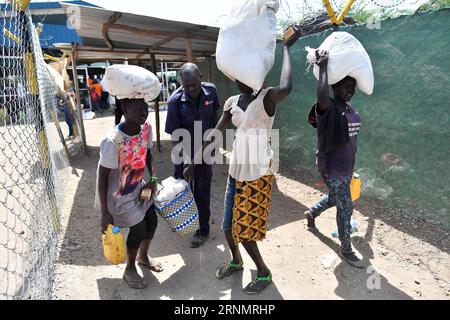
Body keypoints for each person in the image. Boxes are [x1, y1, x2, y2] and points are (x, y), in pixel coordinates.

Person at [184, 39, 294, 294]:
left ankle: (264, 273)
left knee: (245, 231)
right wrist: (194, 160)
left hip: (257, 173)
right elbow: (215, 133)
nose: (238, 79)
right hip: (237, 171)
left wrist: (287, 47)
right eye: (236, 74)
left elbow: (287, 86)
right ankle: (236, 261)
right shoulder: (233, 100)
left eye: (243, 74)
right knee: (227, 227)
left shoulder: (267, 98)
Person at [304, 50, 364, 269]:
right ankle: (346, 249)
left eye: (352, 88)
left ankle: (311, 214)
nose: (350, 90)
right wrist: (322, 69)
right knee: (345, 207)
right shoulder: (328, 108)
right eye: (345, 86)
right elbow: (321, 96)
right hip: (332, 168)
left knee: (333, 199)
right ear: (335, 86)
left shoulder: (350, 110)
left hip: (346, 168)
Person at [95, 98, 163, 289]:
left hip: (139, 187)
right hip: (119, 196)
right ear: (125, 109)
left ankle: (143, 257)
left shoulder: (146, 128)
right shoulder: (112, 140)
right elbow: (102, 176)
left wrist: (154, 178)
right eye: (138, 108)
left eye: (145, 107)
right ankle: (130, 268)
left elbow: (148, 153)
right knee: (139, 228)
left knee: (152, 221)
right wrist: (104, 212)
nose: (144, 111)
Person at [165, 63, 220, 248]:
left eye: (194, 84)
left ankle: (202, 230)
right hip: (184, 152)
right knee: (182, 191)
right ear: (181, 82)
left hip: (205, 152)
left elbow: (215, 117)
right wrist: (182, 167)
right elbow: (175, 137)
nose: (191, 89)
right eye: (186, 85)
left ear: (201, 78)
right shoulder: (174, 101)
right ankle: (184, 221)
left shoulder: (211, 92)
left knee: (202, 191)